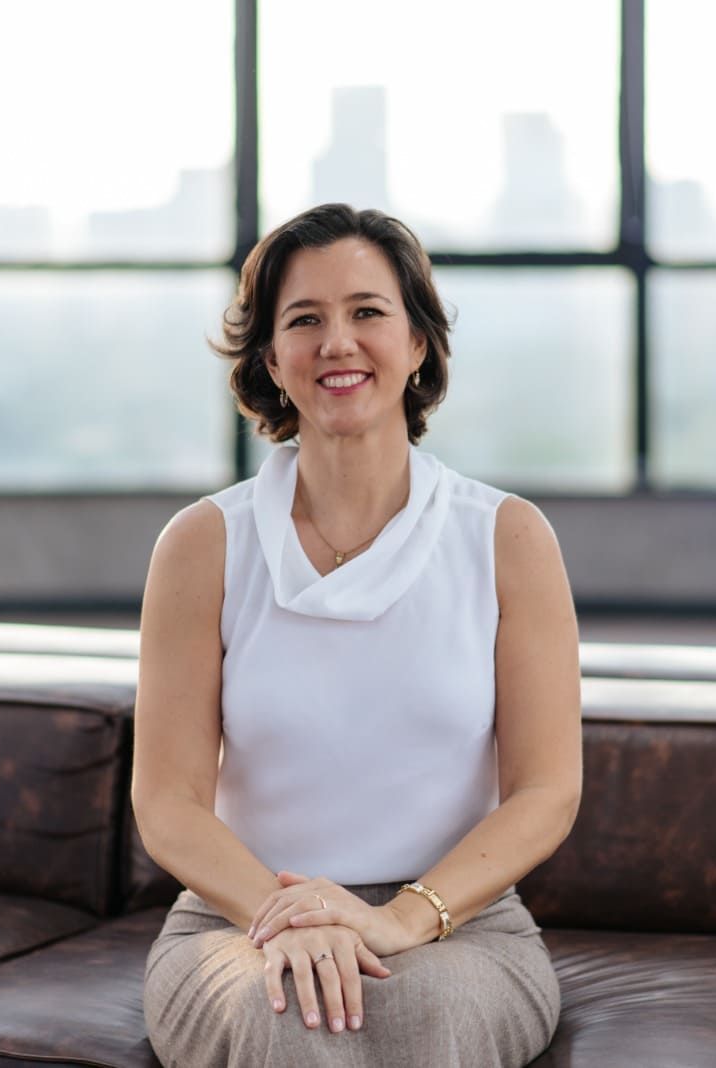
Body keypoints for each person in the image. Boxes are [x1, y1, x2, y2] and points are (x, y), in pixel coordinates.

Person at [134, 203, 582, 1067]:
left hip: (458, 920)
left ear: (416, 344)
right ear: (273, 359)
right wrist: (289, 918)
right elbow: (168, 803)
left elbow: (546, 791)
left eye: (367, 312)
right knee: (290, 1015)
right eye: (305, 320)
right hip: (239, 913)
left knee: (425, 1014)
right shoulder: (202, 544)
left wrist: (401, 918)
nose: (337, 342)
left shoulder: (508, 537)